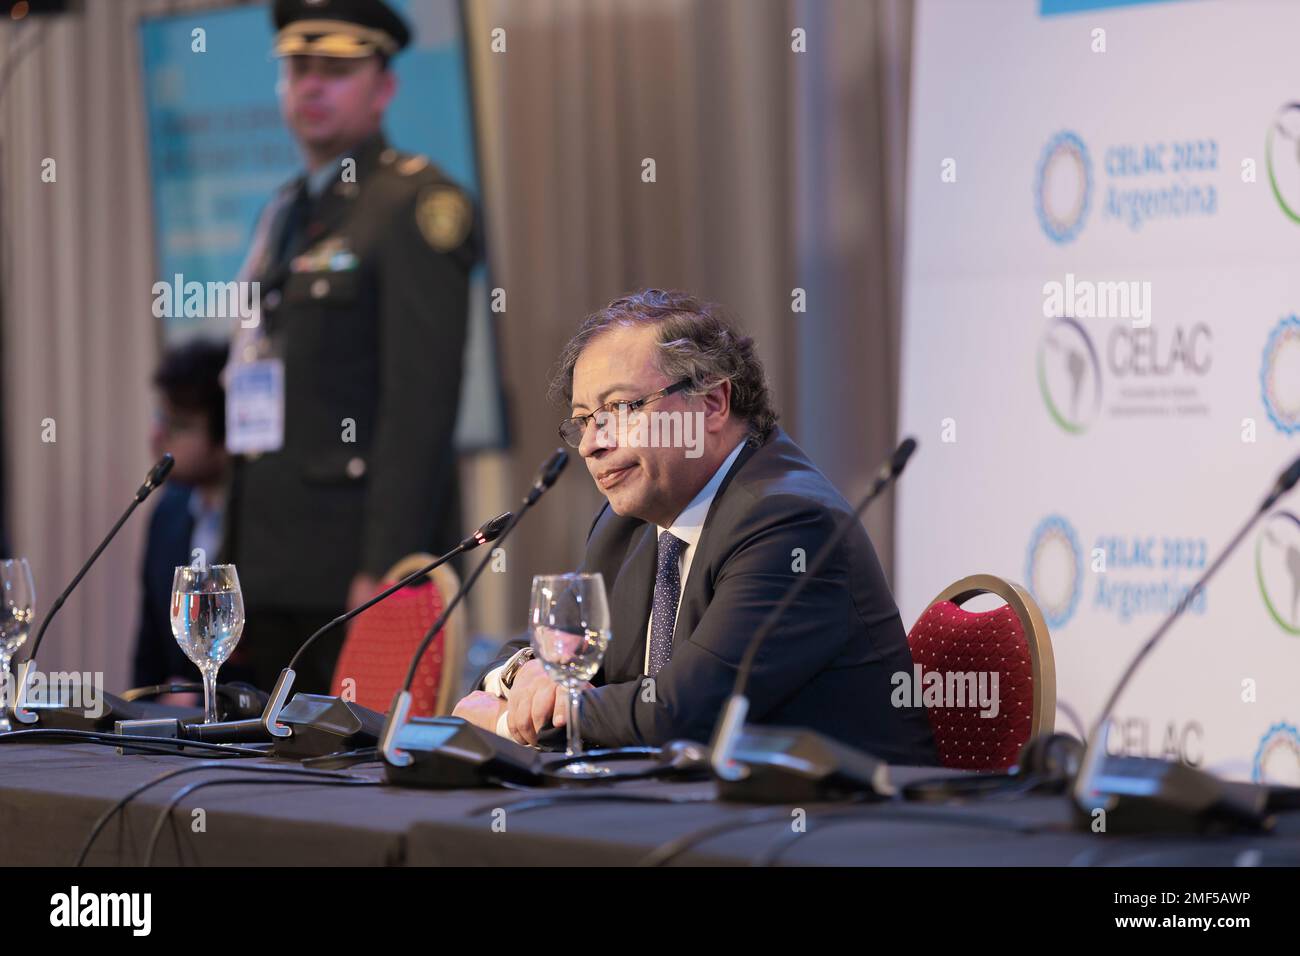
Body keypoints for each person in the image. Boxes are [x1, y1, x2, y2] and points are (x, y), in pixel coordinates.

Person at [455, 290, 937, 764]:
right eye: (584, 420)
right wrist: (526, 672)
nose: (591, 445)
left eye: (620, 409)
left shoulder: (790, 522)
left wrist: (506, 723)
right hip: (701, 815)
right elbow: (554, 648)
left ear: (711, 404)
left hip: (840, 824)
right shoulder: (627, 524)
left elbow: (682, 714)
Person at [223, 0, 478, 693]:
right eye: (298, 67)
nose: (311, 85)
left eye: (335, 69)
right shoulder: (288, 211)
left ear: (385, 87)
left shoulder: (413, 205)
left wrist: (386, 568)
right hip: (274, 565)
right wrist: (233, 559)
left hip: (353, 567)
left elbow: (420, 404)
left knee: (352, 786)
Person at [132, 340, 233, 694]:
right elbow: (148, 658)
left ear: (227, 436)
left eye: (180, 425)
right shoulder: (168, 513)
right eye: (162, 418)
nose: (158, 436)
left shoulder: (266, 527)